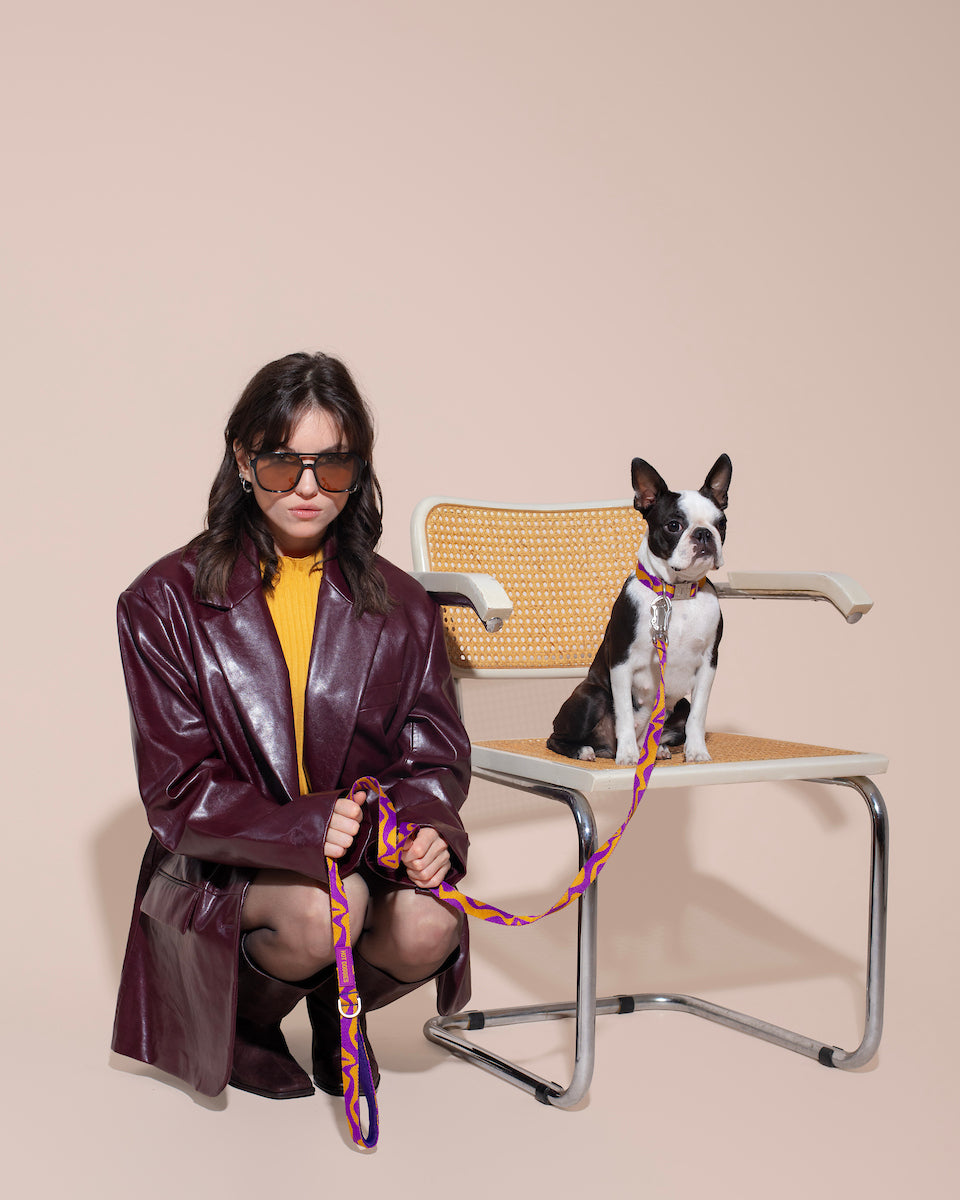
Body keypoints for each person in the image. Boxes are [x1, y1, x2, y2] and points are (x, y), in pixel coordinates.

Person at [111, 351, 470, 1100]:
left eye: (332, 465)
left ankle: (341, 1015)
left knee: (430, 926)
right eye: (282, 463)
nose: (307, 488)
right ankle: (245, 1026)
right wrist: (305, 831)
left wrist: (431, 827)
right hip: (229, 864)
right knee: (324, 907)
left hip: (364, 851)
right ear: (244, 461)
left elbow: (430, 758)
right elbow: (178, 791)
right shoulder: (161, 602)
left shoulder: (405, 607)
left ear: (358, 468)